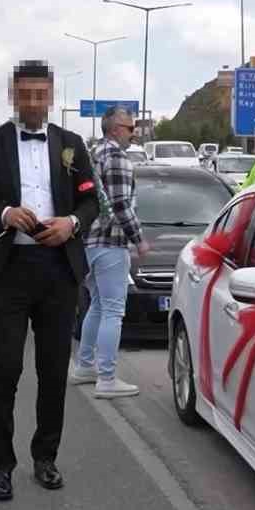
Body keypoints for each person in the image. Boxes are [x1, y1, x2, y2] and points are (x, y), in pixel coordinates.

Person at [0, 60, 101, 502]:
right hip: (9, 270)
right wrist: (3, 213)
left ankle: (45, 457)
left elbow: (93, 202)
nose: (34, 103)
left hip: (59, 270)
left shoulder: (72, 144)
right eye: (26, 95)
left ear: (51, 96)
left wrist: (72, 224)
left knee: (53, 369)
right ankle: (0, 465)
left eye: (41, 95)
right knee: (5, 368)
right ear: (13, 96)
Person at [71, 105, 147, 398]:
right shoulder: (116, 157)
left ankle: (85, 366)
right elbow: (120, 205)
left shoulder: (94, 154)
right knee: (114, 310)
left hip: (89, 242)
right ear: (115, 128)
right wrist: (139, 239)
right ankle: (107, 378)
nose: (134, 132)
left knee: (98, 306)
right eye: (130, 128)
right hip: (110, 242)